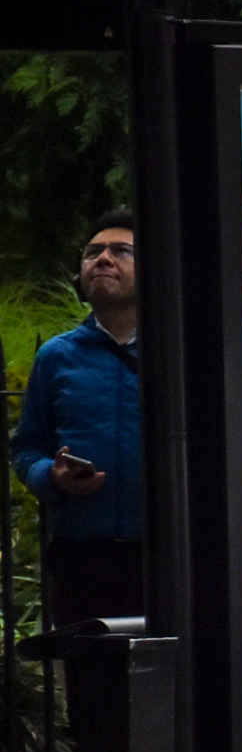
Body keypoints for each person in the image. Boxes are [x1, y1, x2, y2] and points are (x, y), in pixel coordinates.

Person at [11, 210, 144, 627]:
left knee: (171, 685)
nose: (102, 259)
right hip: (83, 559)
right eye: (92, 252)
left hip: (170, 554)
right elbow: (27, 448)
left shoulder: (183, 349)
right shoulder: (56, 356)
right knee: (92, 686)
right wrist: (50, 476)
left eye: (121, 251)